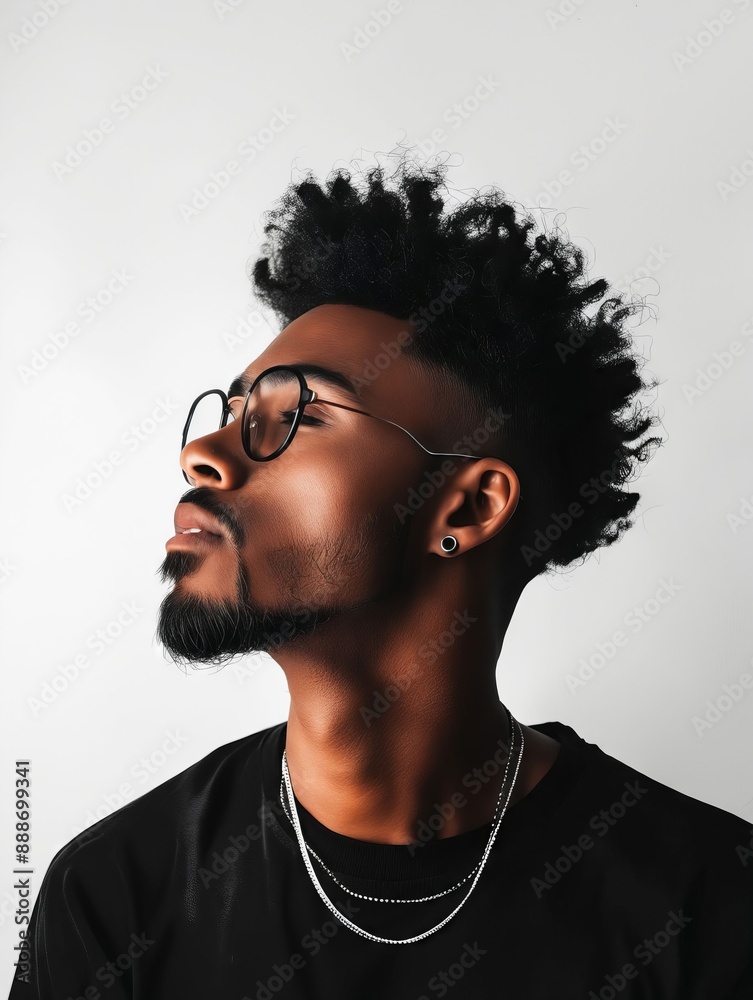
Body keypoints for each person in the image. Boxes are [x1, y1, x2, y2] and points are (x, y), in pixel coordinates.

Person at [10, 154, 753, 1000]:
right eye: (230, 415)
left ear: (465, 510)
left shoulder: (707, 905)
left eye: (296, 418)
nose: (201, 456)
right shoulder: (113, 899)